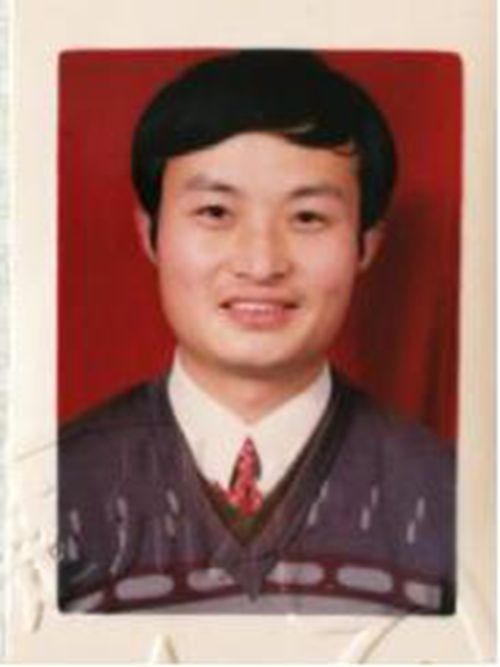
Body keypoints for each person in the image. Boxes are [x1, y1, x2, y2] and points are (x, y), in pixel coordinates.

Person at [58, 49, 455, 615]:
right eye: (216, 213)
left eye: (308, 217)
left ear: (366, 245)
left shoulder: (453, 497)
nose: (262, 263)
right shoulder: (49, 487)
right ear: (151, 235)